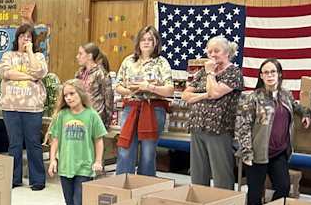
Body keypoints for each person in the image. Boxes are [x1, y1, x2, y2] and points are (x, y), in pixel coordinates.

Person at [235, 58, 311, 205]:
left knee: (283, 188)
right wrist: (247, 152)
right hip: (257, 154)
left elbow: (296, 107)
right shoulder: (253, 98)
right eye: (266, 72)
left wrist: (306, 114)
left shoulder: (285, 95)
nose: (270, 75)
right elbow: (243, 126)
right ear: (261, 76)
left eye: (273, 72)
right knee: (255, 194)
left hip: (279, 152)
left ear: (279, 74)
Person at [182, 35, 244, 189]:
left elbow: (215, 92)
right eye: (209, 52)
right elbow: (186, 95)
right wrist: (204, 95)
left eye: (217, 51)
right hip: (197, 126)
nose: (212, 55)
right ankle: (200, 202)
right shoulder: (203, 72)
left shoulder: (233, 72)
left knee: (221, 173)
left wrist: (210, 73)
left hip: (219, 129)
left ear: (227, 52)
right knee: (198, 172)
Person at [115, 26, 175, 176]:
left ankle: (145, 187)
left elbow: (170, 90)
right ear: (138, 42)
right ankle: (122, 184)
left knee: (148, 153)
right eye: (143, 39)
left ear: (156, 42)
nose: (146, 42)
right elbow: (117, 85)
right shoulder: (129, 61)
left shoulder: (161, 62)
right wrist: (131, 90)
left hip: (153, 109)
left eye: (150, 39)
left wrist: (149, 87)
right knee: (126, 148)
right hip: (131, 108)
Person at [0, 24, 48, 190]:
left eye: (28, 37)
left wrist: (29, 52)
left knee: (33, 142)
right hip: (11, 107)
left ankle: (38, 180)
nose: (25, 39)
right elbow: (7, 73)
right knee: (14, 143)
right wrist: (29, 76)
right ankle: (14, 178)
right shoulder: (8, 55)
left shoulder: (39, 57)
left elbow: (40, 72)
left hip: (32, 107)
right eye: (22, 36)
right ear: (17, 38)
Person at [47, 80, 106, 205]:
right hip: (65, 167)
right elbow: (55, 140)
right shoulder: (62, 115)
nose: (68, 98)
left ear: (80, 93)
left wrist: (97, 161)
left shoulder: (92, 115)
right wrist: (52, 161)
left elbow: (99, 140)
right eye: (66, 95)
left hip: (85, 167)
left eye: (72, 93)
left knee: (79, 204)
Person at [75, 42, 114, 123]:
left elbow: (108, 98)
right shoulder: (79, 73)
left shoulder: (101, 74)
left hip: (95, 118)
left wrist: (107, 121)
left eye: (80, 54)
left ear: (89, 56)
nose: (77, 56)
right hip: (80, 116)